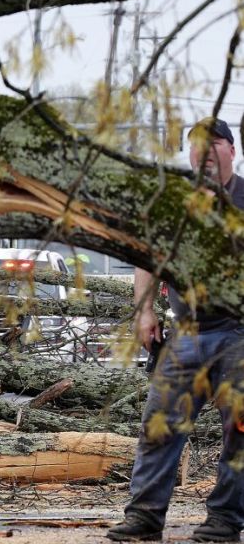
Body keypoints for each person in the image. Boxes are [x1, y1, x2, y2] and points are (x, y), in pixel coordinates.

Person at [108, 117, 243, 543]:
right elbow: (147, 257)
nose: (204, 153)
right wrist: (144, 312)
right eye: (196, 145)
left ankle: (224, 520)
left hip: (239, 332)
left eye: (215, 144)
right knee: (159, 424)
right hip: (186, 332)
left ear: (231, 151)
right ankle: (144, 518)